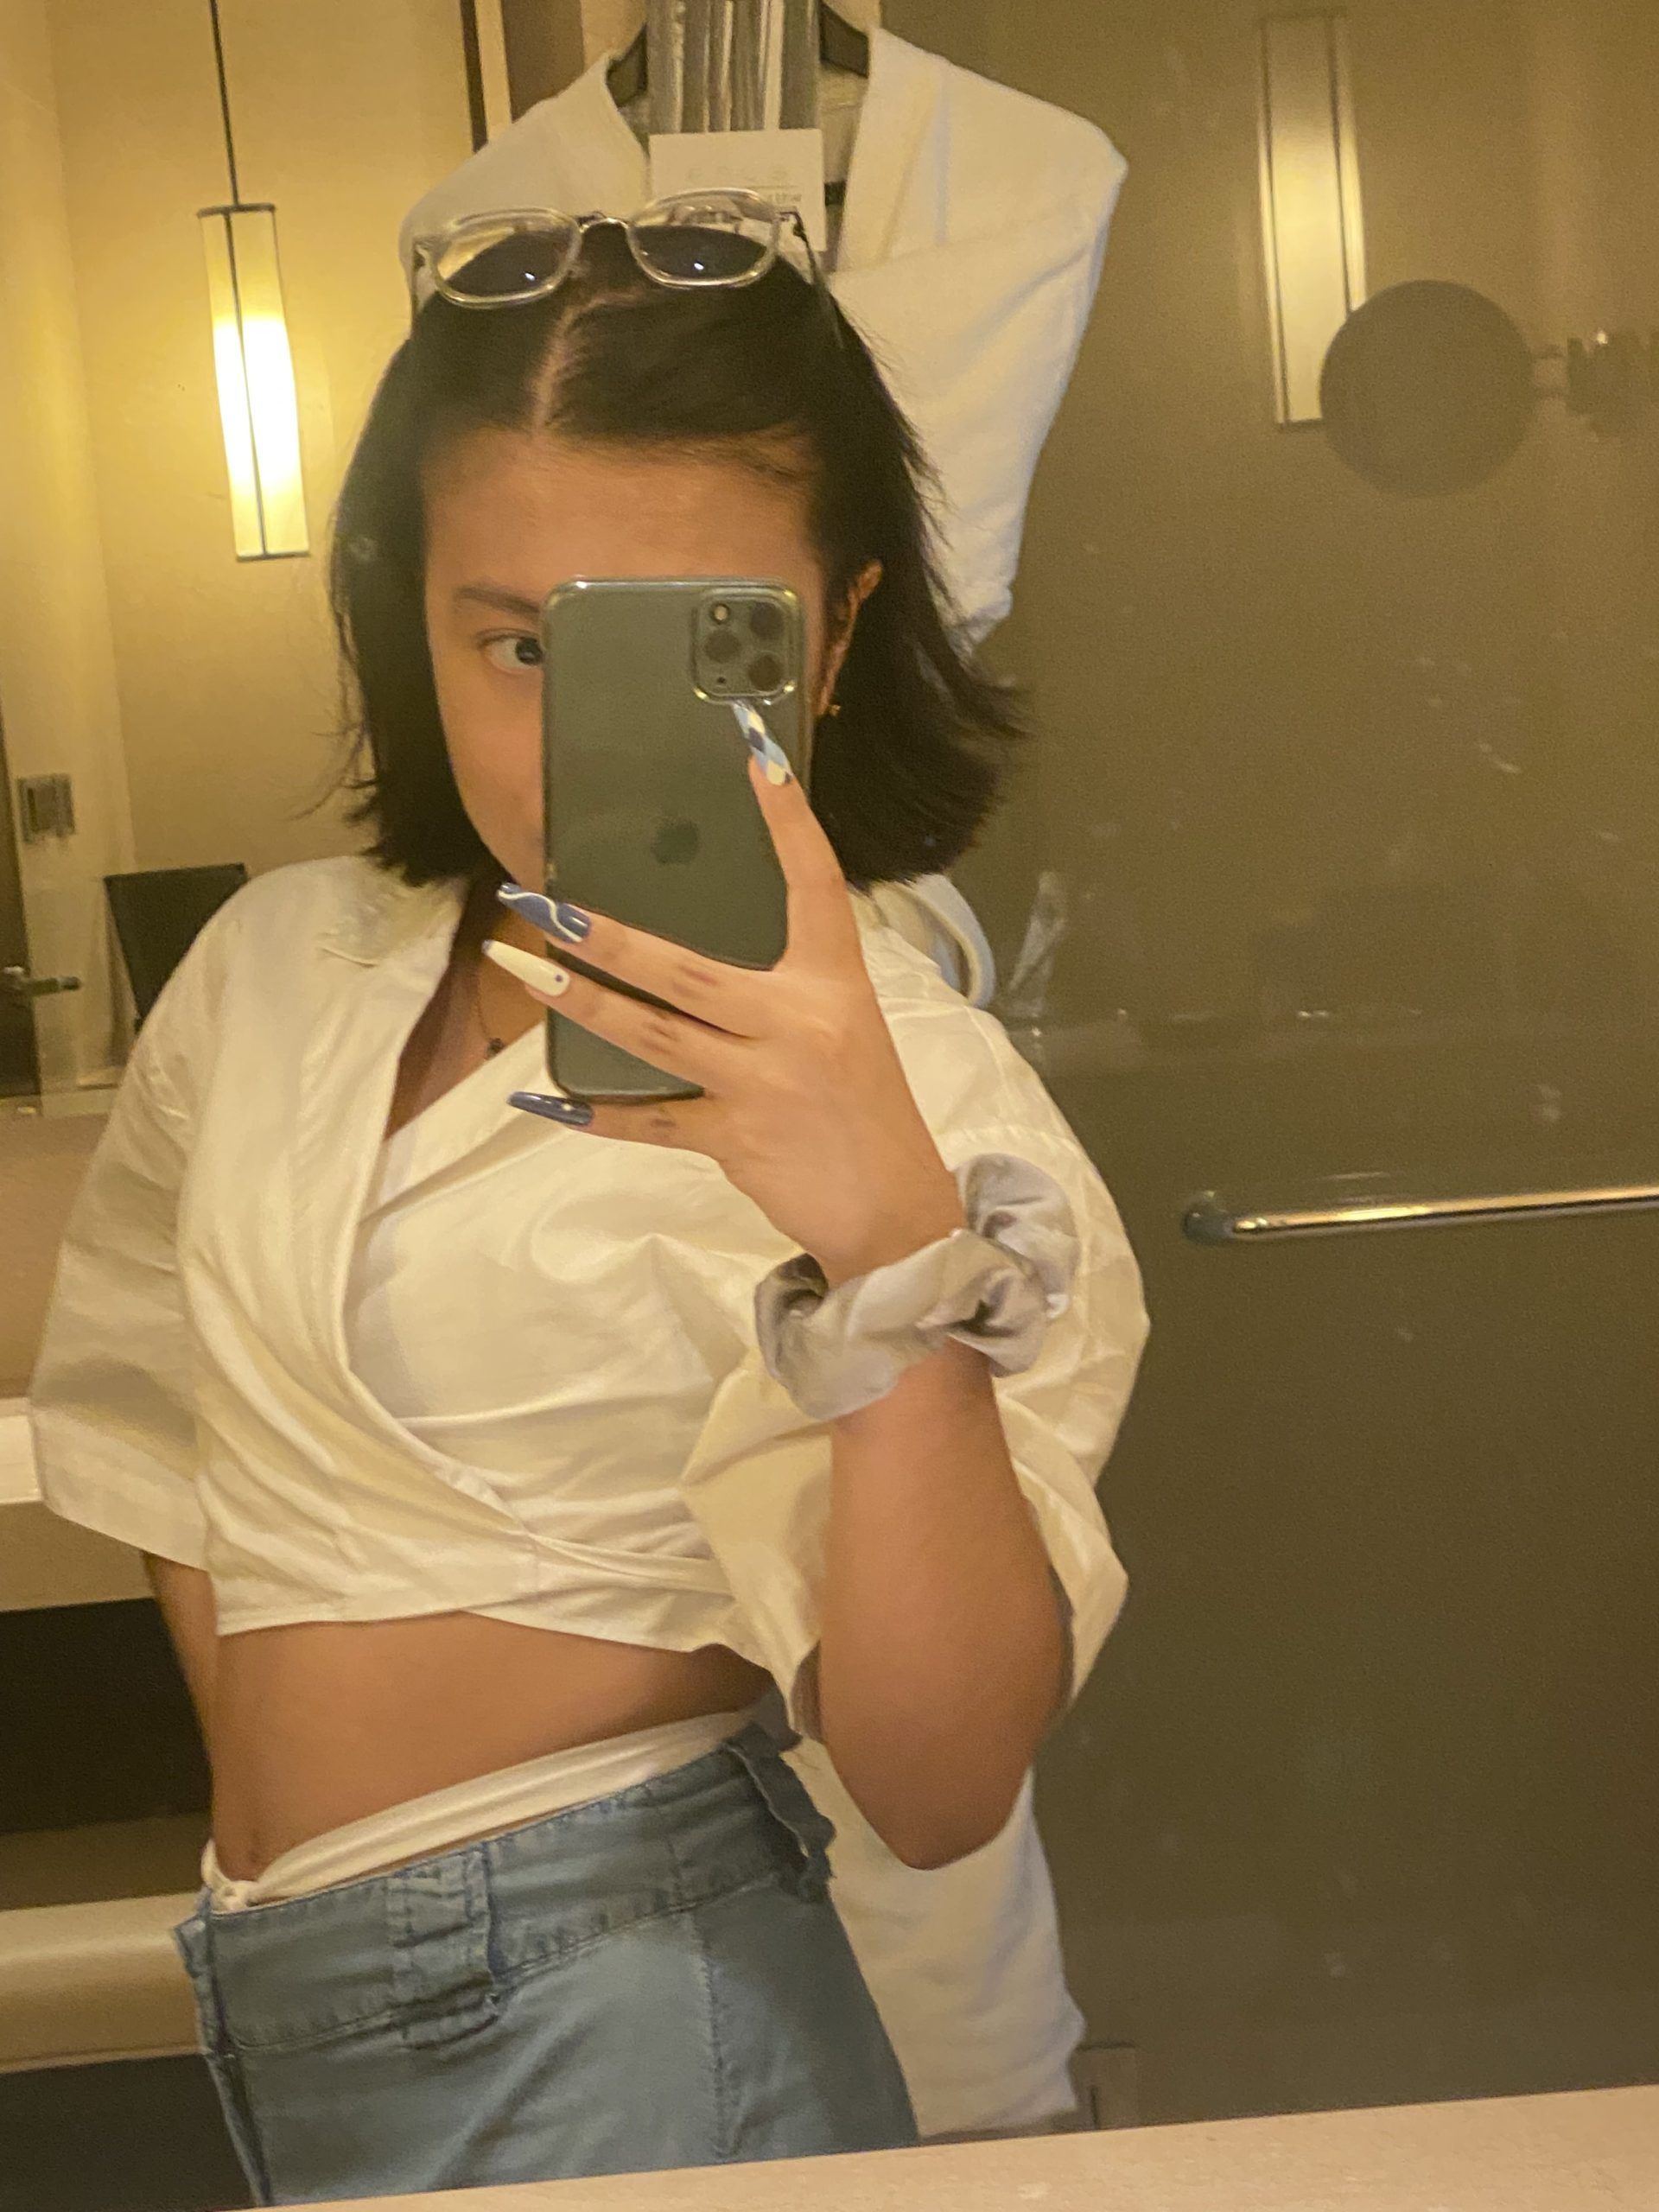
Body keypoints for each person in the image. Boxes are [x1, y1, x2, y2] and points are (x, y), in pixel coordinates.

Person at [29, 199, 1147, 2204]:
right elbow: (167, 1438)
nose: (572, 741)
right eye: (519, 641)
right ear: (405, 606)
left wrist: (889, 1236)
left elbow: (941, 1778)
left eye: (686, 644)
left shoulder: (933, 1098)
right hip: (285, 1980)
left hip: (641, 1979)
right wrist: (319, 1863)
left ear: (834, 636)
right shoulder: (277, 967)